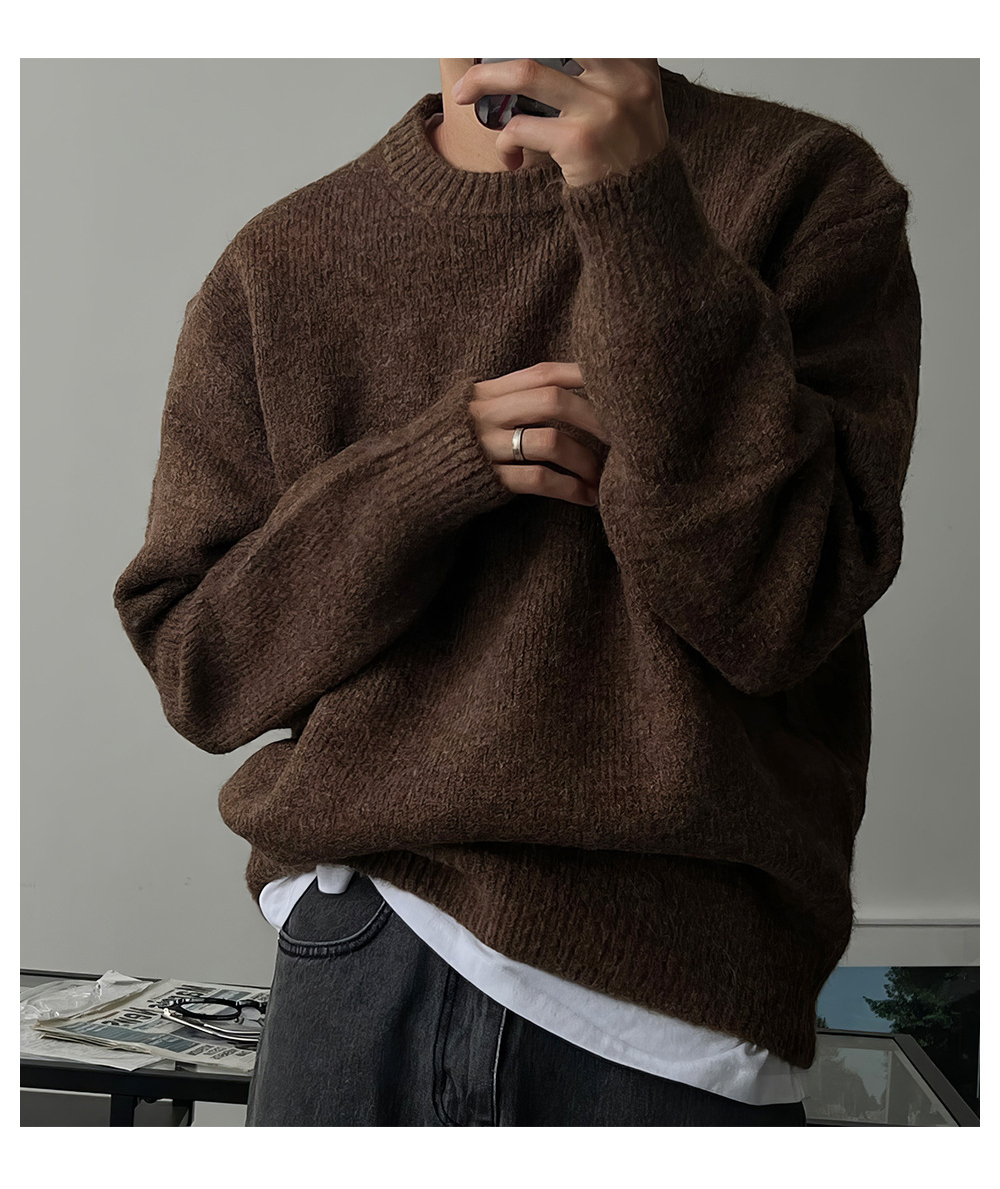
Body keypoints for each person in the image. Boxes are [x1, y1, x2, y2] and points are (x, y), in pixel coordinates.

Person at [112, 58, 922, 1126]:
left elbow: (778, 607)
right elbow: (202, 669)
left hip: (674, 1001)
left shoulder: (802, 186)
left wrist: (640, 212)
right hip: (361, 951)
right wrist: (431, 470)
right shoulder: (282, 259)